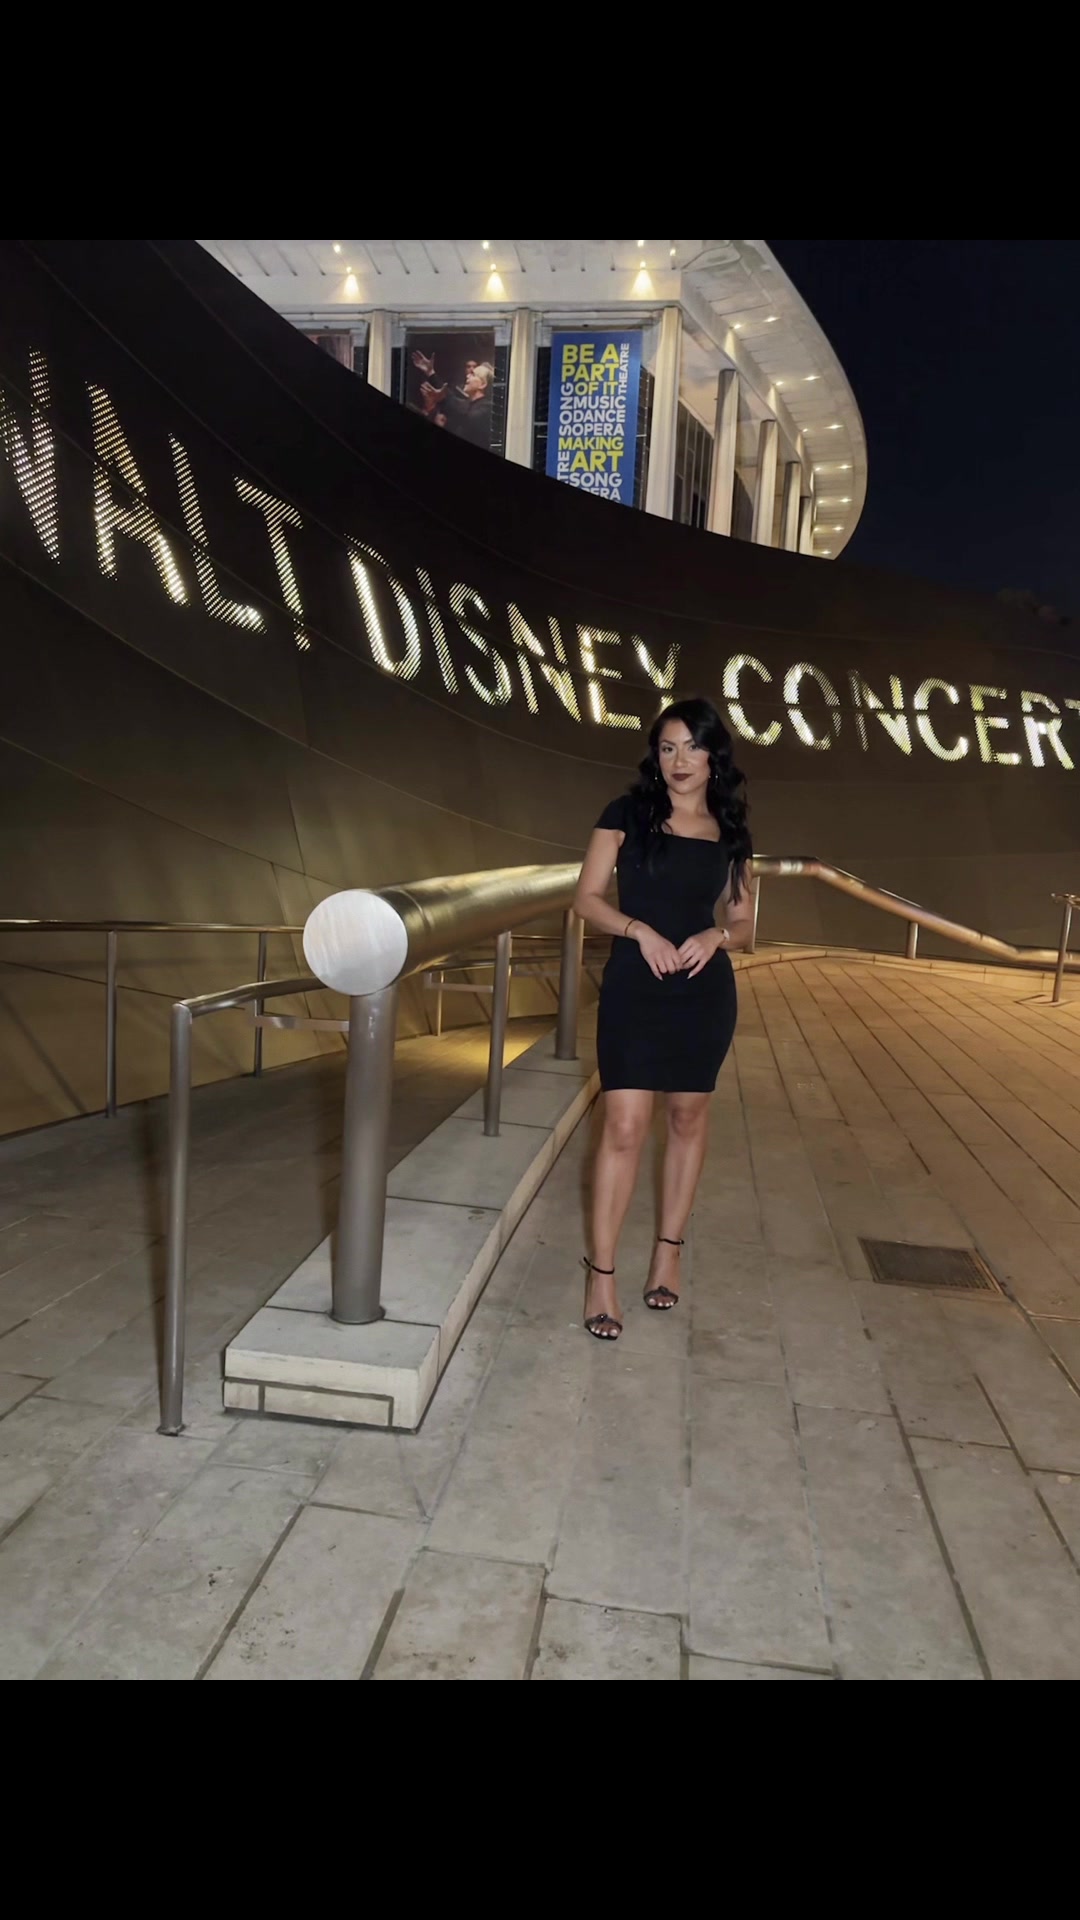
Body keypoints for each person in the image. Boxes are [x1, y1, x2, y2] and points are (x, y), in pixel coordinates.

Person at [571, 696, 754, 1340]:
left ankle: (667, 1254)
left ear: (713, 757)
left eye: (693, 748)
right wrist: (638, 930)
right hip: (635, 985)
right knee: (623, 1124)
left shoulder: (731, 831)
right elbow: (586, 899)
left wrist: (716, 936)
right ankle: (601, 1275)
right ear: (655, 754)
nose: (679, 760)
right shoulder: (625, 815)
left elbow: (743, 921)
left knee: (687, 1117)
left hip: (702, 993)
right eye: (668, 747)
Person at [411, 348, 494, 447]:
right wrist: (430, 373)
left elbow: (464, 414)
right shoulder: (468, 404)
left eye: (473, 374)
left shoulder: (487, 408)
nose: (468, 376)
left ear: (483, 384)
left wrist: (442, 398)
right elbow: (451, 398)